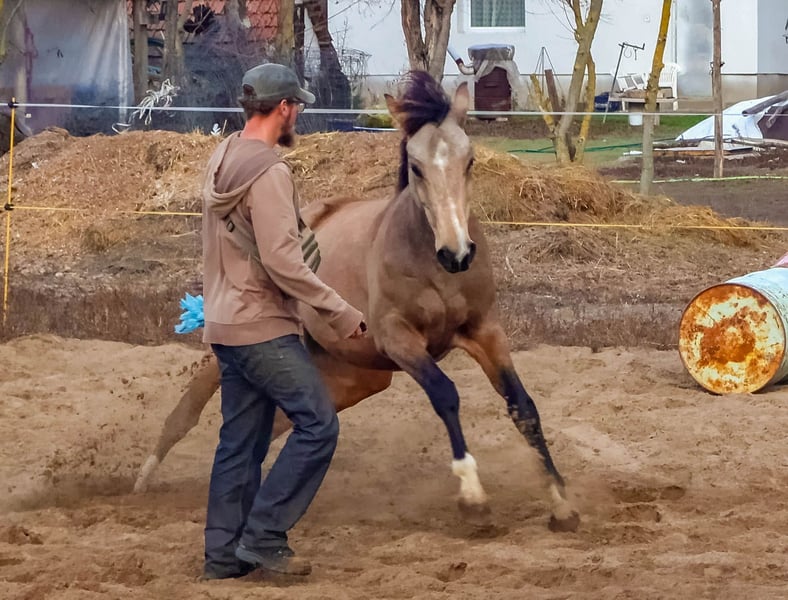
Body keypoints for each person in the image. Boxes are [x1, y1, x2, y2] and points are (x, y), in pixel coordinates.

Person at [200, 62, 366, 581]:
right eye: (298, 107)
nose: (299, 116)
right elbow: (283, 262)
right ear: (285, 108)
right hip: (262, 326)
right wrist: (340, 311)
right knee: (318, 424)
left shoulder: (222, 157)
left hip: (223, 323)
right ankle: (265, 534)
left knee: (241, 444)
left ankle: (223, 557)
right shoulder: (270, 173)